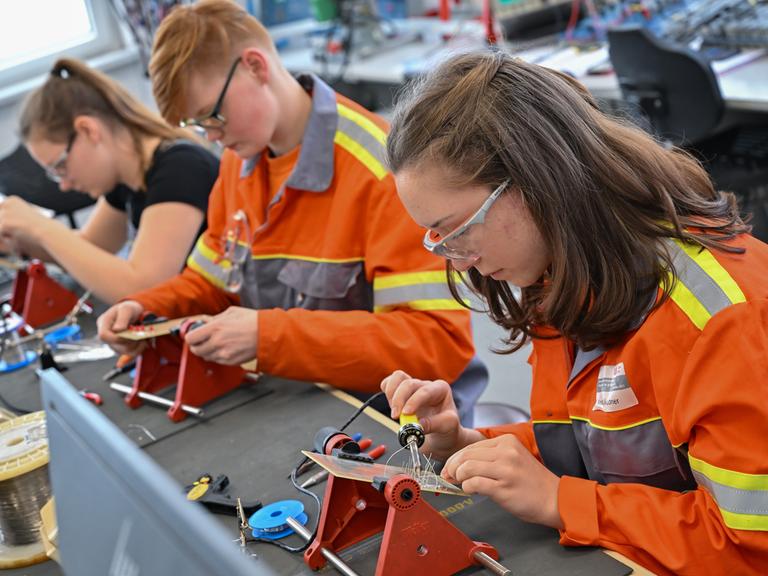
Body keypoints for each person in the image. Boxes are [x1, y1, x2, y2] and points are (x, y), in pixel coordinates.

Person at [380, 49, 768, 575]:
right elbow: (597, 445)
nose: (458, 258)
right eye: (437, 239)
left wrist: (562, 502)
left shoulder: (719, 319)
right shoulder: (564, 269)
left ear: (537, 181)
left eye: (458, 230)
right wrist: (469, 448)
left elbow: (752, 545)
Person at [97, 0, 486, 419]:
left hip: (397, 419)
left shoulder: (383, 172)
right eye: (198, 125)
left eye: (212, 115)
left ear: (255, 67)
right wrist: (149, 309)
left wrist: (268, 337)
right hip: (301, 401)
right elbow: (212, 282)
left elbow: (435, 346)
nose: (212, 136)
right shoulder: (238, 162)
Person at [0, 58, 218, 304]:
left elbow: (142, 288)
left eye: (60, 166)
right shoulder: (126, 179)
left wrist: (39, 226)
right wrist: (17, 239)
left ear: (88, 131)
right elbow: (89, 248)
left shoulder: (180, 168)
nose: (64, 184)